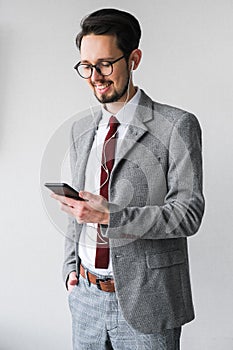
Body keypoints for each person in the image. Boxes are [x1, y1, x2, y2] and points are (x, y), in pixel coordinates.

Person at [51, 8, 205, 350]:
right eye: (87, 66)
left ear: (133, 58)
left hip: (147, 302)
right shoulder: (80, 130)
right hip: (86, 299)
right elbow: (80, 211)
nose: (96, 76)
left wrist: (111, 215)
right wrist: (70, 272)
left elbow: (189, 213)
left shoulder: (177, 126)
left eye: (106, 64)